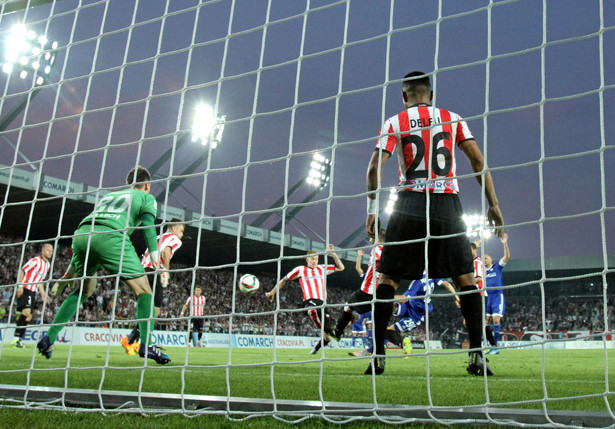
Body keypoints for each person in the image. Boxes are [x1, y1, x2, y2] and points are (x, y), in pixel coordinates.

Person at [365, 71, 504, 376]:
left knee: (387, 279)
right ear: (432, 94)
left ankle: (377, 355)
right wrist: (493, 204)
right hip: (446, 203)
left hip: (409, 202)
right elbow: (478, 162)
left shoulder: (394, 122)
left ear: (404, 97)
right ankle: (478, 356)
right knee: (466, 279)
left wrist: (373, 210)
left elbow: (376, 166)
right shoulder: (452, 118)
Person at [37, 166, 171, 364]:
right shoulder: (146, 198)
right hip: (111, 237)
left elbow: (93, 231)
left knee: (84, 290)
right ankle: (146, 344)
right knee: (145, 292)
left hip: (82, 234)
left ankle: (49, 337)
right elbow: (149, 229)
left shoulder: (109, 196)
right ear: (147, 186)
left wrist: (68, 274)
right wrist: (156, 261)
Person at [121, 218, 185, 355]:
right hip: (154, 272)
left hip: (143, 270)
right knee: (155, 311)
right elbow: (165, 253)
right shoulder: (175, 239)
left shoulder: (157, 236)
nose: (182, 235)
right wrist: (166, 272)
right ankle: (140, 342)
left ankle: (131, 339)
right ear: (174, 229)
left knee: (148, 308)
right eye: (181, 231)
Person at [265, 244, 344, 354]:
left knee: (328, 337)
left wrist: (333, 254)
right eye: (312, 259)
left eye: (316, 259)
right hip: (309, 300)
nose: (314, 261)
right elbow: (284, 279)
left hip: (323, 303)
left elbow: (341, 267)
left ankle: (316, 348)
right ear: (307, 259)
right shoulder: (301, 269)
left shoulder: (322, 268)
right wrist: (272, 292)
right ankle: (315, 317)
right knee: (311, 310)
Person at [332, 229, 385, 342]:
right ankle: (381, 344)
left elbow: (384, 258)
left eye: (372, 235)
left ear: (377, 237)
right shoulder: (383, 251)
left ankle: (338, 332)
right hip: (378, 293)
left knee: (348, 308)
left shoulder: (378, 249)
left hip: (366, 293)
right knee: (379, 320)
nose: (369, 237)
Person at [11, 243, 53, 348]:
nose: (50, 252)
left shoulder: (47, 265)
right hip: (26, 288)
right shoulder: (35, 261)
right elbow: (22, 270)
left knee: (28, 316)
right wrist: (20, 286)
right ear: (42, 251)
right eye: (48, 250)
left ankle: (18, 339)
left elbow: (40, 281)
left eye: (51, 251)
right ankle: (16, 339)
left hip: (33, 292)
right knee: (26, 313)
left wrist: (43, 293)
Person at [484, 233, 510, 354]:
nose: (484, 259)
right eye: (483, 258)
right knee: (485, 322)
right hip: (489, 297)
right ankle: (491, 345)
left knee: (495, 320)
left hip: (497, 296)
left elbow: (507, 257)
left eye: (486, 258)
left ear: (490, 259)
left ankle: (496, 346)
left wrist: (505, 245)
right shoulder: (483, 272)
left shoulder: (497, 267)